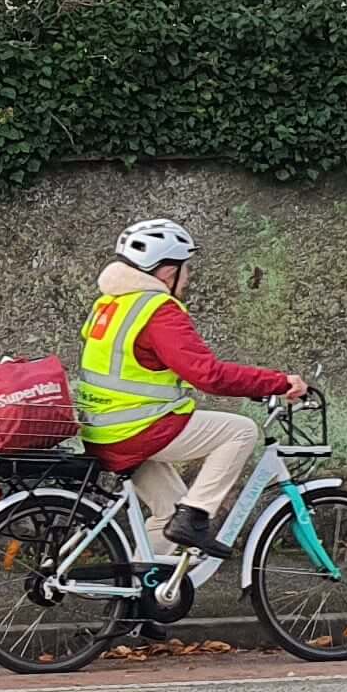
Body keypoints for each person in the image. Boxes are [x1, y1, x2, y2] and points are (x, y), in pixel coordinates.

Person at [74, 217, 306, 562]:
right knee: (241, 431)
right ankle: (196, 517)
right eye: (186, 268)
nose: (189, 276)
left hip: (101, 430)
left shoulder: (109, 305)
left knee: (168, 509)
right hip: (135, 430)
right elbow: (207, 374)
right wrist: (277, 381)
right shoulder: (157, 311)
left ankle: (138, 601)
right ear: (168, 271)